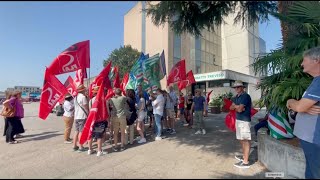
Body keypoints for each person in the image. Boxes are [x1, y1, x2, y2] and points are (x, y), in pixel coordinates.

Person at [286, 47, 320, 179]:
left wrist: (292, 102)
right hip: (310, 140)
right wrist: (296, 104)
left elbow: (299, 106)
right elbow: (300, 106)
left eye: (304, 60)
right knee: (311, 172)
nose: (301, 64)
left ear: (316, 60)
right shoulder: (316, 81)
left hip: (314, 140)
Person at [230, 80, 252, 169]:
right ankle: (244, 157)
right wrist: (237, 107)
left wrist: (238, 107)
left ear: (243, 87)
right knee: (241, 139)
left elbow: (239, 109)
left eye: (238, 87)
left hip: (244, 120)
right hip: (239, 120)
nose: (236, 88)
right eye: (235, 87)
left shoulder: (245, 96)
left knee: (245, 140)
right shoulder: (236, 97)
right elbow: (231, 107)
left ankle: (246, 162)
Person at [87, 86, 109, 156]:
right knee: (99, 136)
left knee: (90, 135)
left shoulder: (90, 101)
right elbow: (107, 111)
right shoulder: (103, 100)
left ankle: (90, 149)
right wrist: (108, 120)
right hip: (100, 120)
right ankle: (99, 151)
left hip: (92, 120)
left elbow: (90, 110)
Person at [73, 84, 89, 152]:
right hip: (82, 116)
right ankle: (81, 146)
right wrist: (88, 112)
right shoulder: (83, 97)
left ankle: (74, 146)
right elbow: (86, 106)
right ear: (83, 90)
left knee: (76, 131)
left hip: (76, 116)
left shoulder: (75, 97)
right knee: (81, 132)